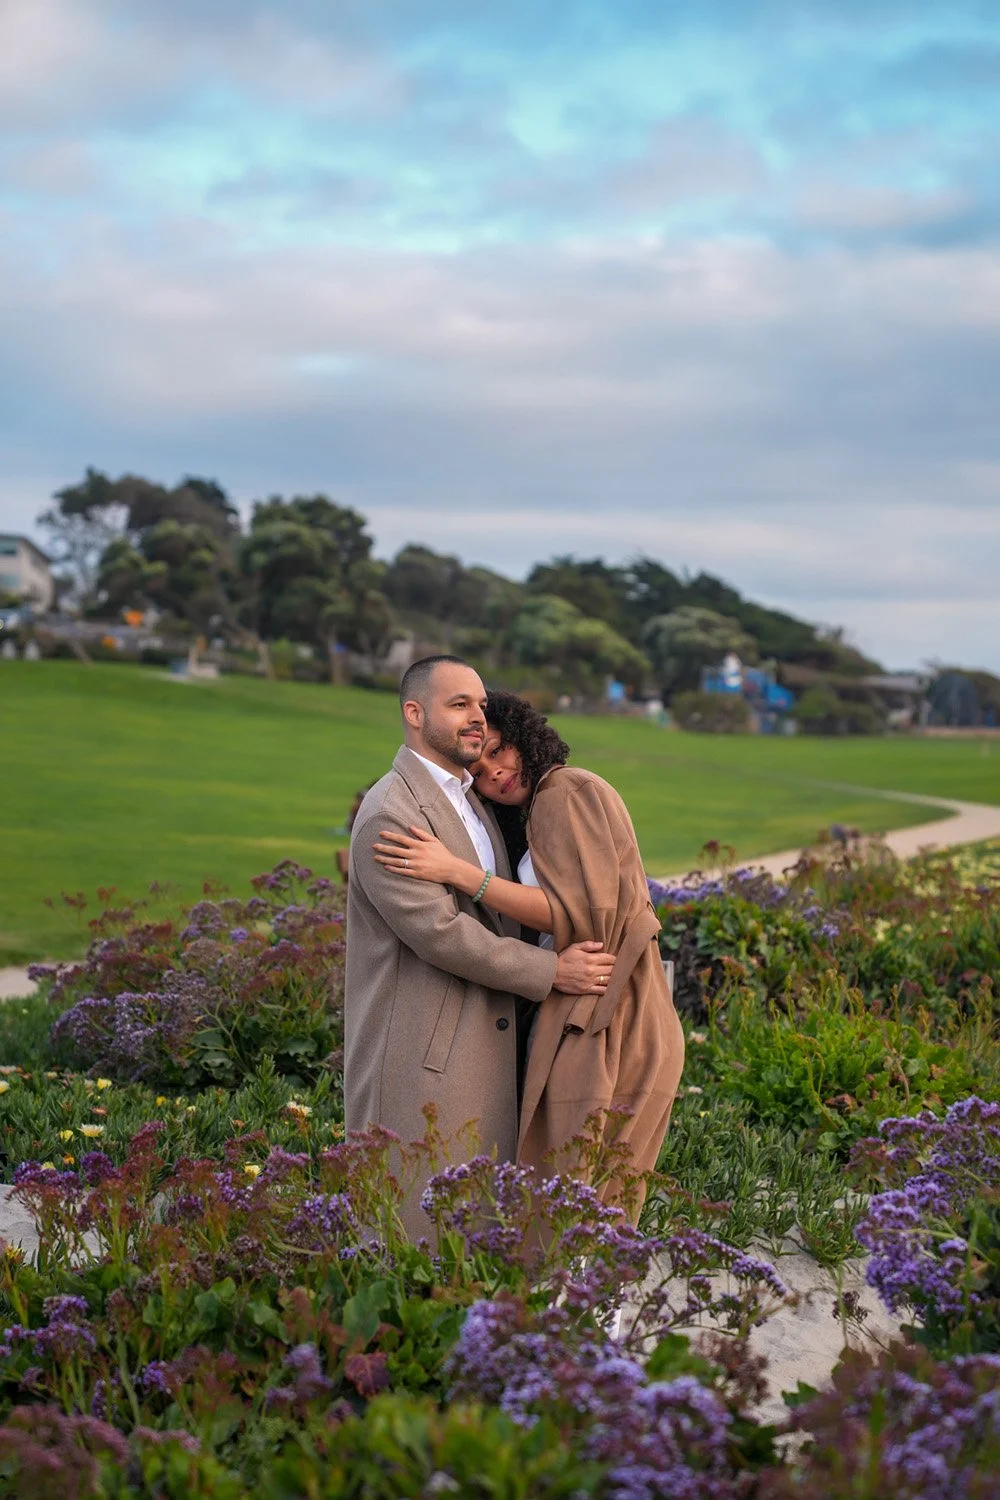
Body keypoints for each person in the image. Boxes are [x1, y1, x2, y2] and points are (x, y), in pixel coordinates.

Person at [373, 690, 685, 1218]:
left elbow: (585, 912)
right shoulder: (543, 806)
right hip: (603, 1006)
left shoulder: (566, 789)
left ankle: (568, 1299)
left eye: (500, 750)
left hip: (608, 1013)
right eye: (481, 764)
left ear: (525, 739)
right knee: (586, 1190)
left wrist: (459, 873)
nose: (494, 771)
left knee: (571, 1190)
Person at [345, 658, 618, 1235]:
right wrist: (552, 971)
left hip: (482, 1042)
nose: (477, 718)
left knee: (472, 1224)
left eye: (480, 705)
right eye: (459, 705)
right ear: (414, 714)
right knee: (412, 1227)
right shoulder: (391, 814)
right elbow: (442, 934)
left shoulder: (472, 799)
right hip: (425, 1053)